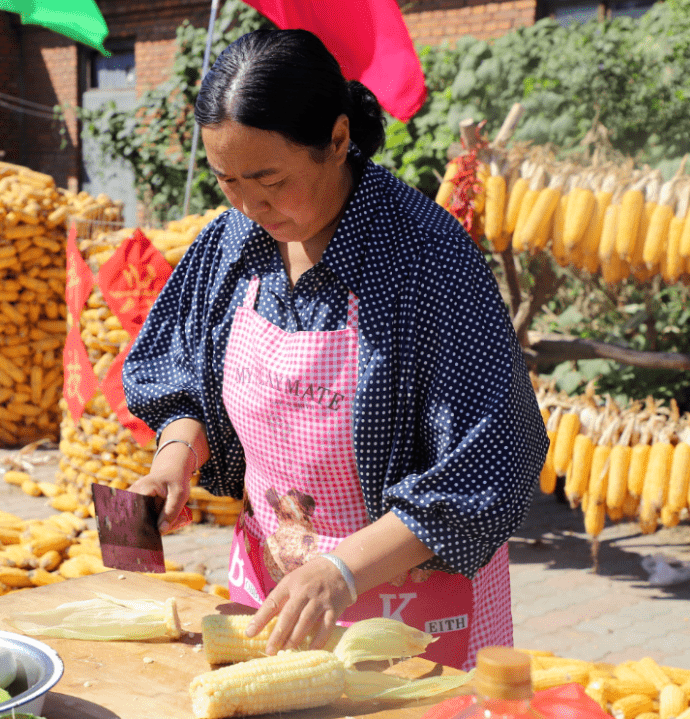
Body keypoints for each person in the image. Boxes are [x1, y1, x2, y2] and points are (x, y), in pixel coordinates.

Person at [122, 29, 548, 671]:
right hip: (272, 589)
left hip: (411, 607)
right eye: (227, 180)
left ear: (339, 140)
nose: (249, 204)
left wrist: (343, 572)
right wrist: (174, 459)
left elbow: (495, 459)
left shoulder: (427, 261)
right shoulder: (231, 245)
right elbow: (181, 373)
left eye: (270, 179)